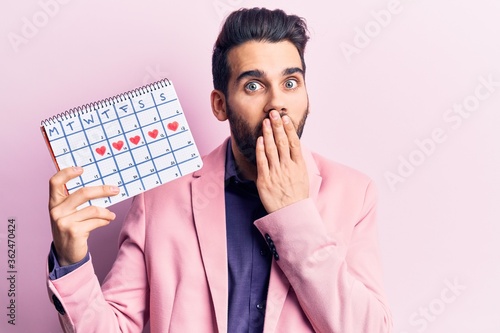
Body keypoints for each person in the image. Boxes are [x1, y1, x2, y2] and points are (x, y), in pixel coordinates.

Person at [46, 7, 393, 333]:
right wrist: (71, 259)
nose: (277, 103)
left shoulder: (354, 193)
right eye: (253, 86)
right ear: (220, 105)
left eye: (291, 82)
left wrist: (295, 214)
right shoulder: (160, 199)